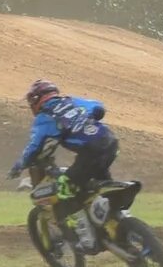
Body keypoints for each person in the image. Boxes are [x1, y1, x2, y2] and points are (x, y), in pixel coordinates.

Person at [7, 80, 121, 230]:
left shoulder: (44, 117)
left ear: (36, 99)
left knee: (63, 188)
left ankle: (78, 230)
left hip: (90, 153)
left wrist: (18, 166)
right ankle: (119, 220)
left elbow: (34, 147)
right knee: (100, 184)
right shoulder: (72, 101)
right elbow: (98, 107)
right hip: (111, 144)